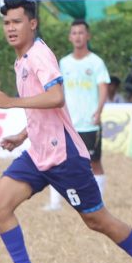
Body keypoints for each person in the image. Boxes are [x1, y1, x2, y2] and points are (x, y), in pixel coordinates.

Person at [0, 0, 132, 263]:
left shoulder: (39, 55)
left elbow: (56, 97)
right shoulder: (22, 60)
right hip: (38, 153)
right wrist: (22, 135)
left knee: (97, 220)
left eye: (17, 22)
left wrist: (10, 102)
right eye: (6, 23)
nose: (11, 28)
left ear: (33, 23)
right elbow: (45, 110)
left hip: (64, 156)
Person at [44, 21, 110, 210]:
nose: (78, 36)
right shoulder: (64, 63)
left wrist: (99, 110)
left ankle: (99, 202)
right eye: (74, 33)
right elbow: (58, 90)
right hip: (67, 122)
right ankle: (55, 203)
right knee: (58, 162)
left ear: (88, 36)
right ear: (69, 37)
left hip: (89, 123)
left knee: (94, 163)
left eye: (81, 33)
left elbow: (103, 87)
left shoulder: (96, 62)